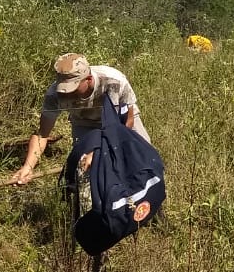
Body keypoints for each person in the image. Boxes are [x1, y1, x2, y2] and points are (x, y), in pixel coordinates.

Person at [12, 53, 150, 184]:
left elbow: (127, 123)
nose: (68, 93)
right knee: (85, 169)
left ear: (88, 80)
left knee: (143, 156)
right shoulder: (54, 94)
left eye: (73, 87)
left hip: (119, 121)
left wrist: (100, 151)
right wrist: (28, 167)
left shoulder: (114, 82)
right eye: (64, 88)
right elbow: (42, 134)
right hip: (84, 124)